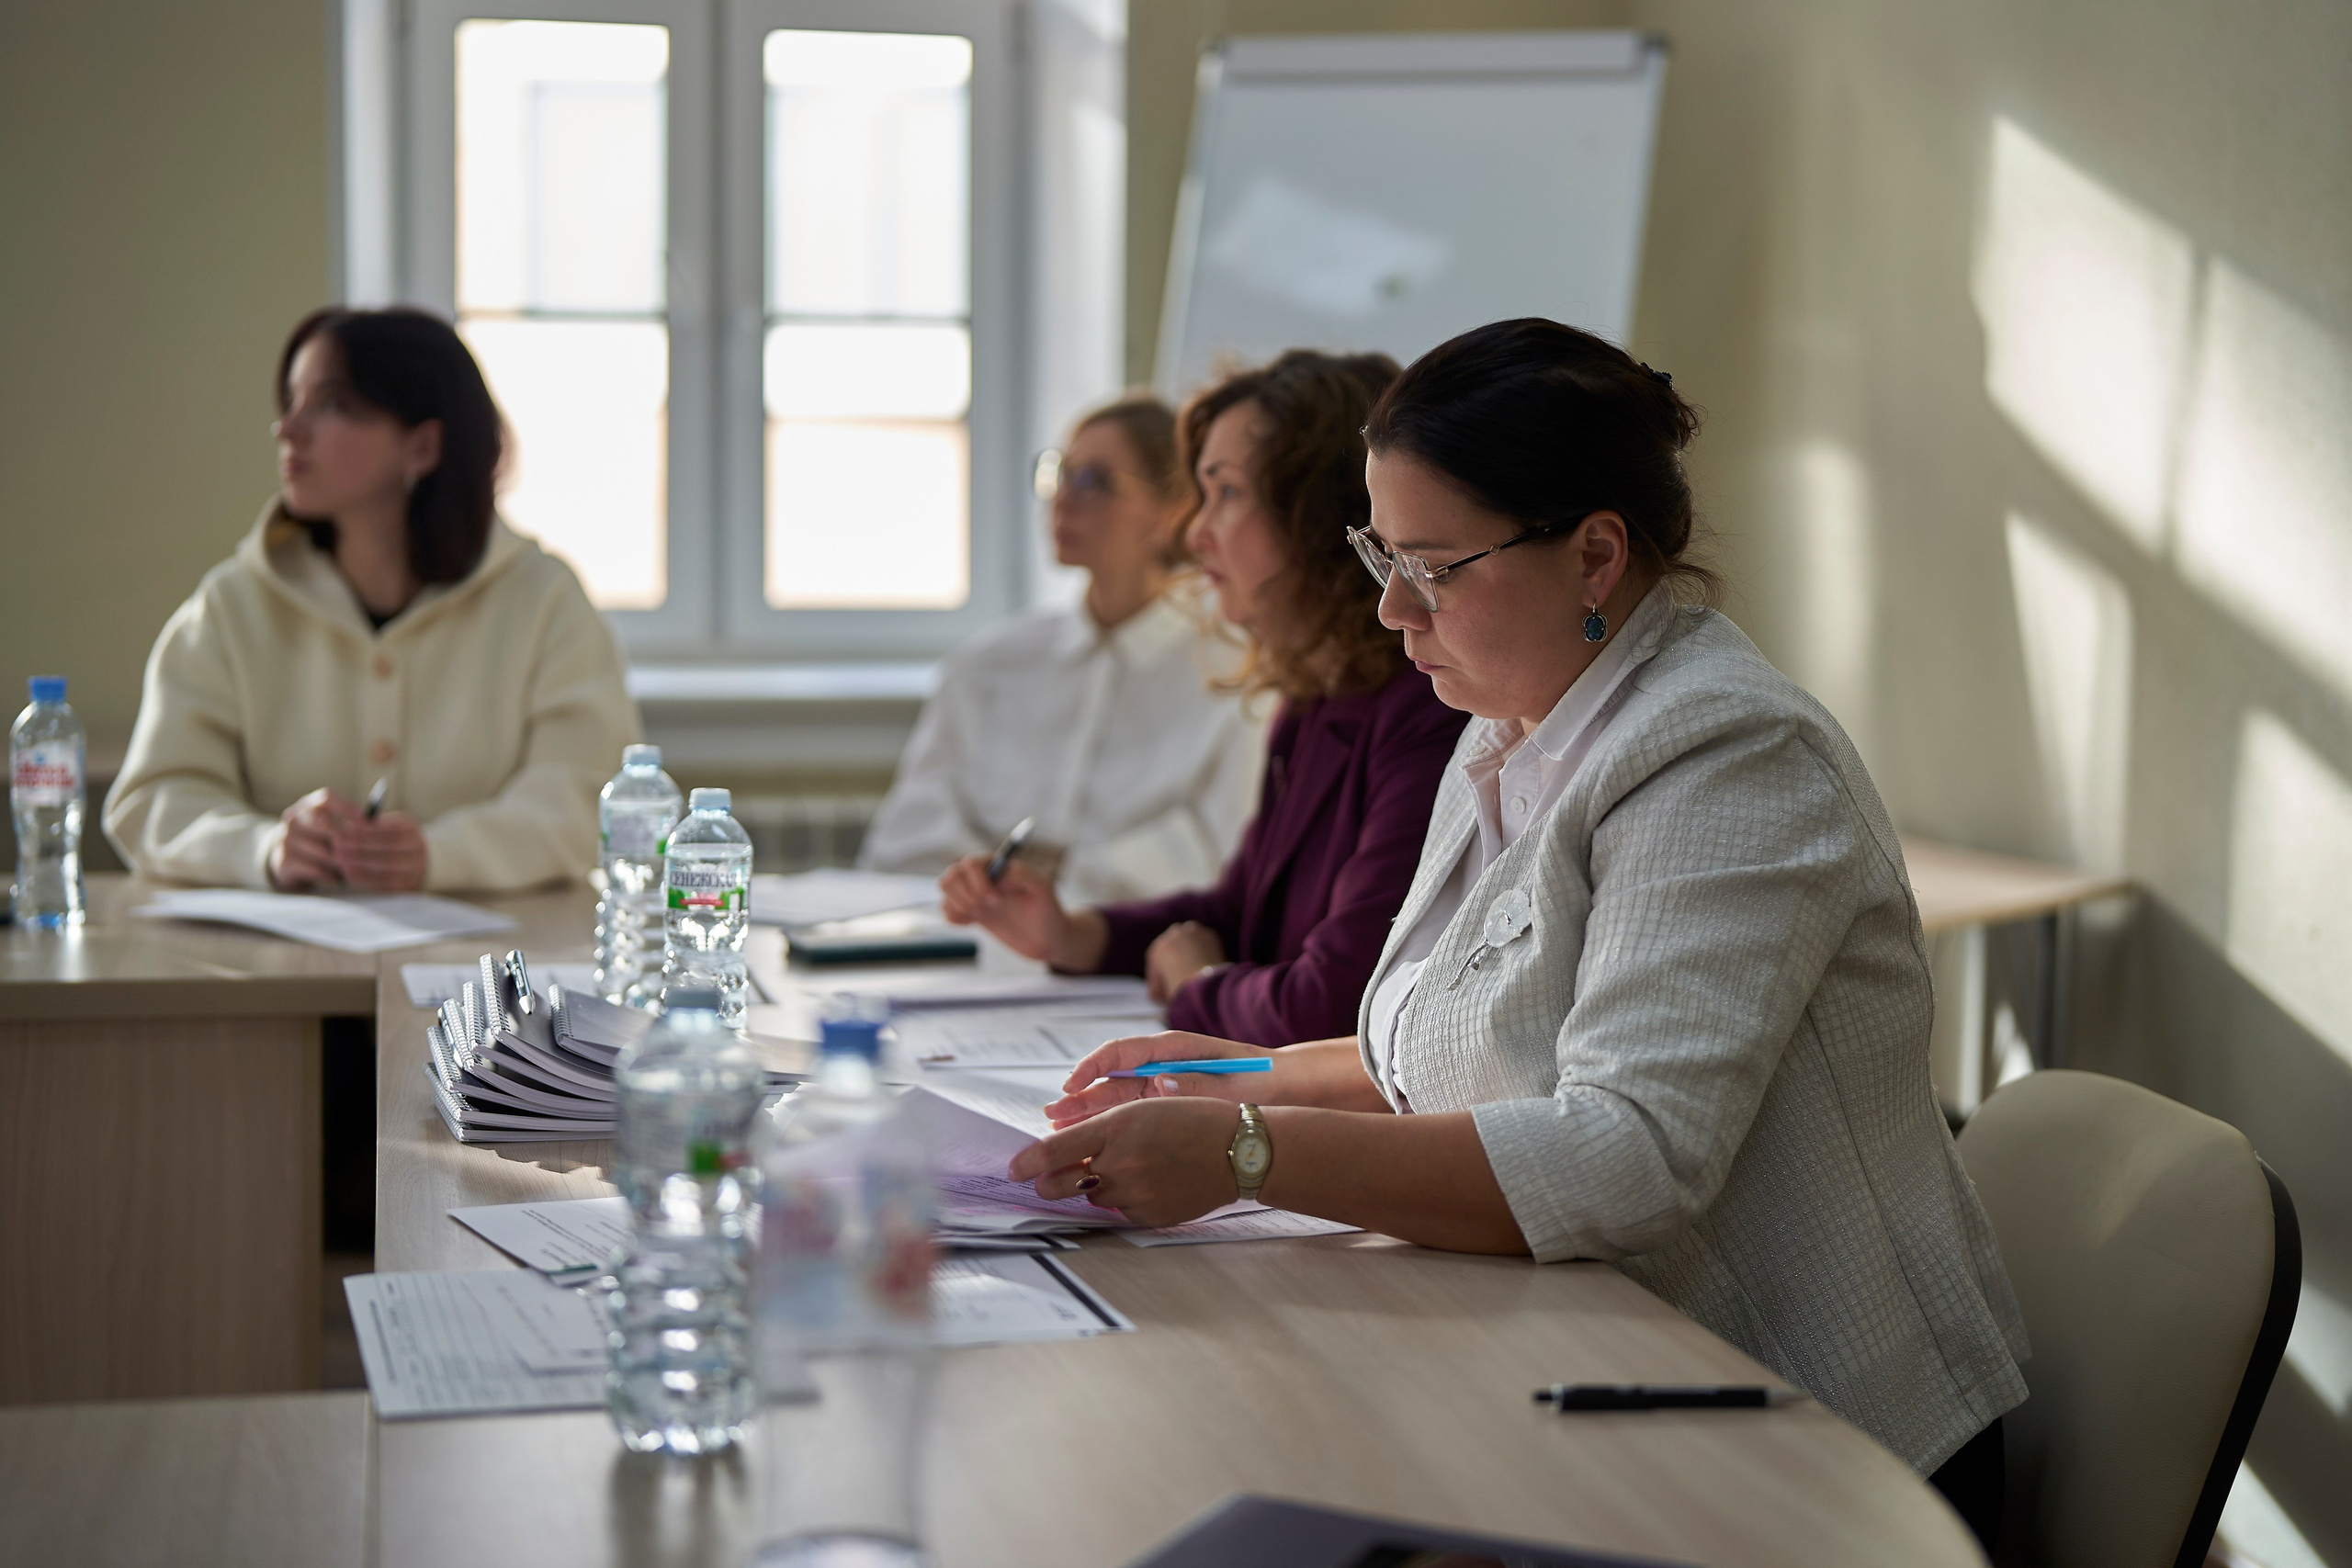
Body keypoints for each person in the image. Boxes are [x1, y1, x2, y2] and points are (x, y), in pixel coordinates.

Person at [1003, 320, 2029, 1540]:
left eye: (1431, 565)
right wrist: (1231, 1073)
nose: (1390, 608)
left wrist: (1244, 1150)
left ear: (1594, 554)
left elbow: (1624, 1154)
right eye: (1378, 552)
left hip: (1808, 1446)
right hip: (1605, 1370)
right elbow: (1432, 1047)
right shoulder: (1510, 723)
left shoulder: (1728, 752)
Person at [941, 352, 1469, 1049]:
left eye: (1224, 493)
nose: (1194, 534)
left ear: (1312, 516)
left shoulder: (1424, 710)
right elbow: (1238, 910)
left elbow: (1334, 1005)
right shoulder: (1316, 698)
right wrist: (1071, 933)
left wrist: (1199, 987)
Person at [106, 307, 638, 892]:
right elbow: (153, 799)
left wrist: (441, 855)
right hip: (277, 970)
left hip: (490, 969)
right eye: (291, 400)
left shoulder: (545, 602)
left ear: (424, 447)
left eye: (332, 404)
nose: (288, 429)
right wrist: (265, 849)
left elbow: (589, 800)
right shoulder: (230, 607)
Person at [860, 395, 1262, 905]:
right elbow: (904, 840)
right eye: (1060, 473)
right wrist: (997, 883)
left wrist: (1059, 879)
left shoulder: (1232, 677)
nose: (1063, 499)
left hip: (1127, 958)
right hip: (960, 939)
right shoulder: (986, 665)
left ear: (1173, 511)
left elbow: (1217, 859)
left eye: (1094, 481)